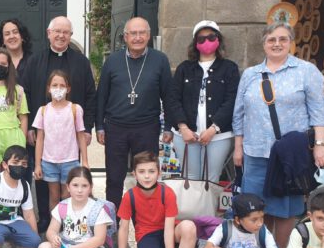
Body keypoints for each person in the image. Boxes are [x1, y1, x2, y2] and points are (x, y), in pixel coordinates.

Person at [232, 22, 324, 248]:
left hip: (290, 156)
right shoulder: (250, 74)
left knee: (286, 208)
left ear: (290, 42)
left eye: (282, 39)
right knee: (256, 207)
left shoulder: (306, 71)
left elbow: (320, 111)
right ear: (264, 43)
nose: (277, 44)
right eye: (271, 39)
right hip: (255, 152)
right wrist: (238, 146)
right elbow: (239, 113)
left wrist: (319, 145)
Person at [20, 15, 96, 233]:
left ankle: (71, 222)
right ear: (49, 34)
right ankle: (47, 218)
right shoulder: (35, 60)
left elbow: (91, 95)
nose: (61, 36)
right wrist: (30, 128)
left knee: (69, 183)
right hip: (42, 132)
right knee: (45, 180)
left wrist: (88, 128)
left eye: (66, 32)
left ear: (70, 35)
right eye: (57, 31)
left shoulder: (81, 62)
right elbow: (24, 94)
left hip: (70, 138)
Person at [95, 17, 173, 210]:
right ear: (125, 37)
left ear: (148, 35)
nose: (137, 37)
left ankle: (146, 221)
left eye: (142, 33)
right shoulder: (112, 61)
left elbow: (169, 96)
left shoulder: (160, 60)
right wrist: (99, 126)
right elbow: (101, 96)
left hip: (146, 127)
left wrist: (169, 126)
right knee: (114, 178)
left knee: (146, 177)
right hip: (116, 128)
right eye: (133, 33)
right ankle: (113, 222)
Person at [110, 151, 197, 248]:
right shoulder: (129, 196)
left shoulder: (167, 193)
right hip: (147, 235)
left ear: (158, 173)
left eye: (151, 171)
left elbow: (169, 229)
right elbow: (123, 229)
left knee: (189, 226)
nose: (147, 176)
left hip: (168, 232)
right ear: (134, 174)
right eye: (141, 172)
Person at [164, 20, 240, 183]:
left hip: (218, 135)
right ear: (195, 43)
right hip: (185, 134)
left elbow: (232, 100)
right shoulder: (184, 68)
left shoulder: (229, 68)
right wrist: (182, 127)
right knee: (190, 179)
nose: (206, 41)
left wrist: (213, 128)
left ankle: (208, 210)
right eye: (201, 38)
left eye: (211, 37)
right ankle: (193, 210)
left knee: (210, 180)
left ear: (218, 39)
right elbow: (173, 99)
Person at [37, 166, 110, 248]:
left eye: (84, 186)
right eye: (75, 185)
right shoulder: (63, 206)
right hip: (65, 247)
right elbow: (51, 231)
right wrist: (54, 238)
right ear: (68, 187)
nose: (79, 190)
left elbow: (99, 239)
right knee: (43, 247)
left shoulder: (98, 208)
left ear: (91, 187)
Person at [32, 70, 87, 211]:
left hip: (70, 160)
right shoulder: (43, 110)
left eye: (62, 85)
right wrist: (38, 164)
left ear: (68, 89)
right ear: (48, 88)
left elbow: (81, 135)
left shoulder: (75, 109)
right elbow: (40, 139)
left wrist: (85, 161)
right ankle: (55, 227)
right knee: (54, 196)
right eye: (54, 85)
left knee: (67, 195)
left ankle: (68, 228)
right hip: (49, 162)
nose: (58, 89)